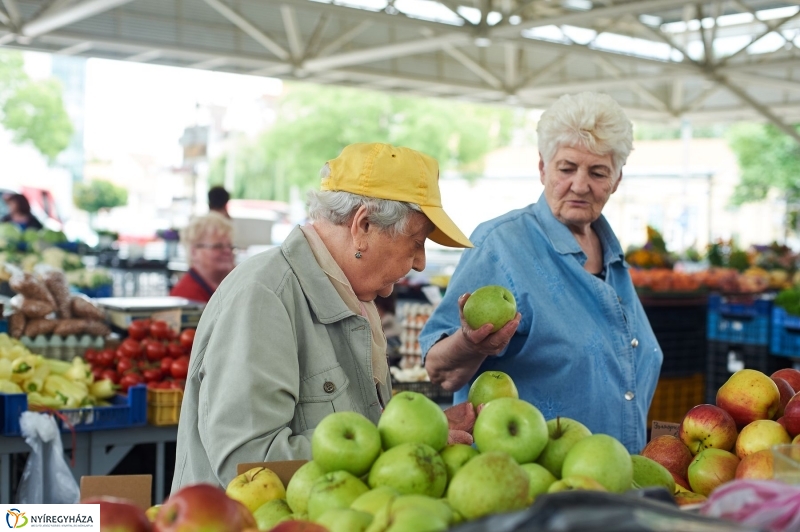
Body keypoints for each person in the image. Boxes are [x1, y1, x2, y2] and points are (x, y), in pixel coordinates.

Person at [172, 143, 475, 489]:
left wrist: (426, 430)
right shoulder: (264, 296)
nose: (420, 262)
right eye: (417, 240)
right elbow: (249, 465)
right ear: (363, 225)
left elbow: (361, 428)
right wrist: (397, 445)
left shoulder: (353, 300)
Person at [420, 92, 663, 455]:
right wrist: (470, 343)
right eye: (566, 168)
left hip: (613, 481)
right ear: (542, 168)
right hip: (533, 485)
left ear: (616, 180)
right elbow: (441, 372)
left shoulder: (612, 255)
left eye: (598, 172)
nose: (580, 185)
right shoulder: (501, 245)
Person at [169, 213, 236, 302]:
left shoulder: (229, 287)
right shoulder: (186, 298)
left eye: (230, 246)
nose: (227, 251)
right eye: (218, 246)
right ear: (194, 252)